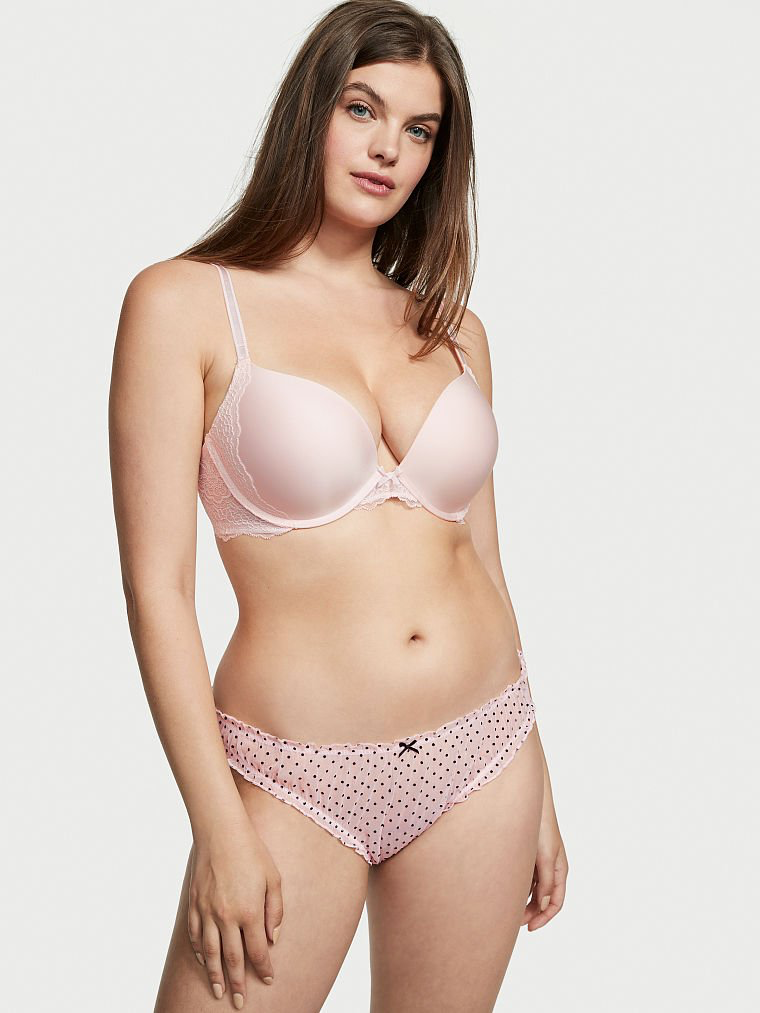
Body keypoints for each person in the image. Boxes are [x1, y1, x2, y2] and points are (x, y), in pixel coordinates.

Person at [109, 2, 568, 1009]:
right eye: (362, 108)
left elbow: (481, 561)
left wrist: (537, 773)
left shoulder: (454, 330)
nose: (388, 148)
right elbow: (158, 590)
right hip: (291, 777)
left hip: (485, 754)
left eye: (419, 129)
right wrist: (217, 826)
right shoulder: (185, 302)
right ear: (310, 110)